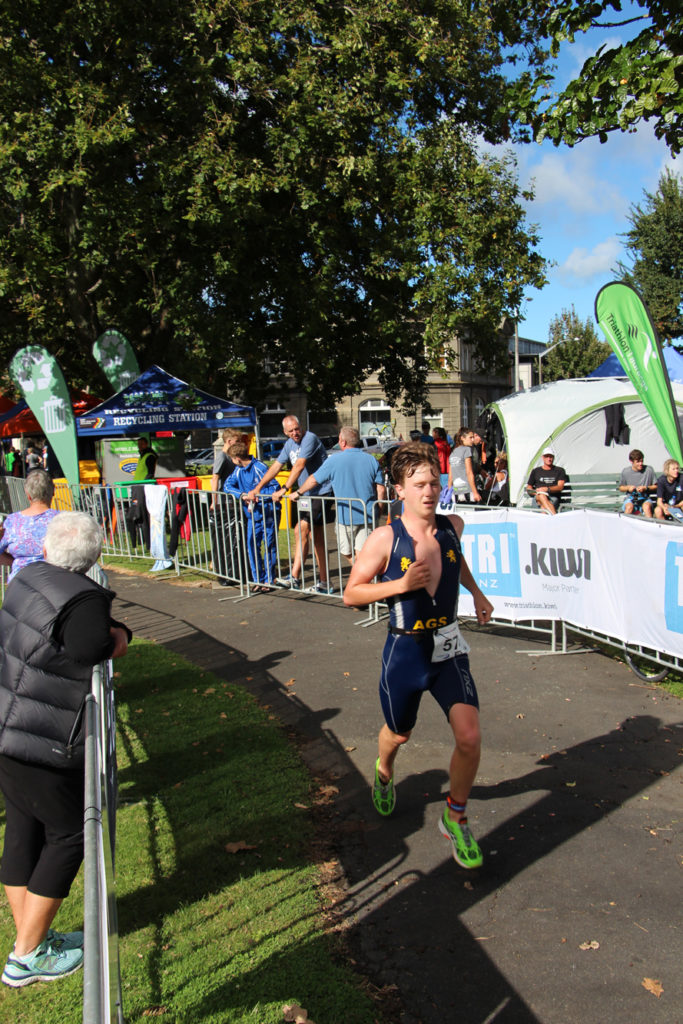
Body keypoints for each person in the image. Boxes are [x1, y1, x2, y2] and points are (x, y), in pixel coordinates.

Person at [344, 442, 494, 869]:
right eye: (419, 484)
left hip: (448, 648)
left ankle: (456, 815)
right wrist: (400, 585)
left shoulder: (453, 524)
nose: (430, 491)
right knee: (399, 734)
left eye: (435, 482)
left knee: (469, 736)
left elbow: (456, 562)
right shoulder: (384, 538)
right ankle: (385, 770)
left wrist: (477, 593)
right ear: (399, 490)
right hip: (405, 651)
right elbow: (351, 594)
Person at [0, 512, 131, 987]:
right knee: (69, 835)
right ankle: (25, 953)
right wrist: (121, 637)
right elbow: (91, 645)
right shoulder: (83, 598)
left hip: (9, 729)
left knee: (23, 832)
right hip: (42, 738)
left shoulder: (28, 575)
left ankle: (30, 938)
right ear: (96, 555)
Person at [246, 415, 334, 593]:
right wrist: (258, 488)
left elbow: (300, 465)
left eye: (297, 428)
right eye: (291, 431)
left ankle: (294, 577)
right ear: (285, 432)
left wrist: (284, 489)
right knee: (316, 536)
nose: (295, 433)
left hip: (320, 491)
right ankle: (325, 582)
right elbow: (276, 466)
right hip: (305, 494)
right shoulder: (289, 444)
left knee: (300, 529)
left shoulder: (309, 438)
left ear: (301, 426)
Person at [293, 426, 386, 567]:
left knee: (346, 552)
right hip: (368, 514)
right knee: (362, 553)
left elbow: (313, 479)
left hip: (346, 516)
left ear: (342, 442)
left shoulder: (333, 460)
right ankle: (368, 579)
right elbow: (381, 489)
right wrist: (378, 509)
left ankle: (366, 579)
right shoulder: (371, 460)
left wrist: (298, 492)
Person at [223, 442, 281, 591]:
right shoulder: (238, 470)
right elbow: (227, 486)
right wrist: (241, 495)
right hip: (252, 516)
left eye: (232, 459)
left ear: (237, 458)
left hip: (268, 513)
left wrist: (259, 496)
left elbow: (275, 487)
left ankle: (268, 580)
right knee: (251, 546)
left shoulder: (260, 467)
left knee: (269, 545)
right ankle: (258, 580)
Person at [0, 469, 60, 582]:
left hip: (19, 583)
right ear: (53, 491)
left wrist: (16, 562)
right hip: (53, 582)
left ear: (28, 495)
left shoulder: (12, 522)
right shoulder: (63, 520)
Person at [209, 428, 245, 586]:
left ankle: (233, 570)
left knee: (232, 539)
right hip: (223, 503)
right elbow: (215, 478)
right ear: (229, 441)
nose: (239, 444)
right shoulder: (222, 457)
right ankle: (224, 570)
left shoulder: (229, 457)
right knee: (224, 539)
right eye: (237, 441)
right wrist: (214, 500)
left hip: (231, 502)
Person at [526, 447, 566, 515]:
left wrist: (547, 489)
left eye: (551, 457)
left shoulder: (559, 470)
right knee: (541, 495)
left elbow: (560, 487)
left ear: (553, 457)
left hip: (552, 497)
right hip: (537, 496)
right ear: (543, 457)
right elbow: (529, 488)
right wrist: (537, 492)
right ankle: (556, 518)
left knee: (543, 510)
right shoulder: (536, 471)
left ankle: (549, 519)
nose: (549, 459)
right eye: (546, 456)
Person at [619, 449, 657, 517]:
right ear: (631, 461)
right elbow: (621, 488)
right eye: (638, 462)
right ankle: (625, 526)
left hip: (645, 498)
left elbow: (656, 486)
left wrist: (646, 488)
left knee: (647, 507)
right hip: (631, 498)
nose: (641, 464)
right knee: (629, 507)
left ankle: (649, 526)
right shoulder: (626, 471)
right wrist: (628, 488)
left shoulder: (649, 470)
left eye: (642, 461)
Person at [448, 428, 481, 503]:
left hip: (456, 491)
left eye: (473, 437)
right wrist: (475, 492)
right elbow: (469, 472)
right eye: (470, 437)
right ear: (462, 438)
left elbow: (450, 476)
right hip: (467, 491)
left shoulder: (453, 452)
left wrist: (449, 492)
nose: (472, 440)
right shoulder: (467, 450)